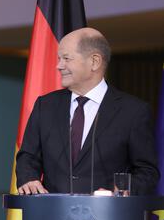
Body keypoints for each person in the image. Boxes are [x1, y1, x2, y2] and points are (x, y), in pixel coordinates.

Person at [16, 27, 159, 195]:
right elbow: (28, 157)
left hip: (108, 218)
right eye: (59, 58)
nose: (58, 66)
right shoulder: (45, 105)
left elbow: (147, 172)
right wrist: (28, 179)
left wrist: (123, 190)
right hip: (52, 216)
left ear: (94, 62)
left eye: (66, 58)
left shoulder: (133, 111)